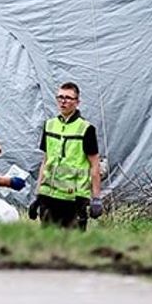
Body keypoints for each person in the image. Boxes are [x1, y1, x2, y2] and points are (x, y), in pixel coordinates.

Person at [32, 82, 102, 230]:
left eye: (68, 98)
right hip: (49, 195)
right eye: (60, 97)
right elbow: (45, 161)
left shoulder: (86, 129)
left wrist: (96, 198)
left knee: (73, 245)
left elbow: (94, 165)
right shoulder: (49, 125)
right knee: (48, 243)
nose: (63, 101)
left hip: (74, 198)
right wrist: (37, 194)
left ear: (77, 102)